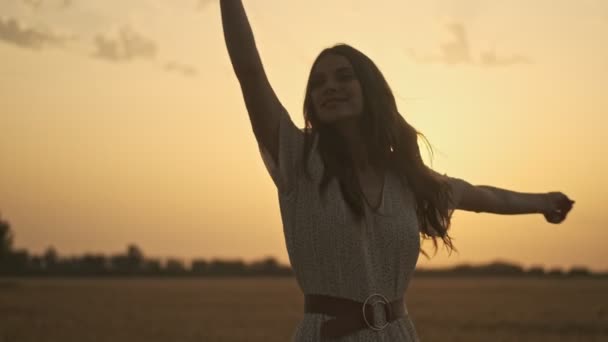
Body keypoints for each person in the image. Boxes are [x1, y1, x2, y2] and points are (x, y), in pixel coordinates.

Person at [219, 1, 575, 341]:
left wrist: (545, 201)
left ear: (369, 90)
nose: (329, 87)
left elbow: (483, 196)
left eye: (344, 77)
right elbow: (249, 71)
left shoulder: (407, 178)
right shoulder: (297, 158)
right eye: (318, 83)